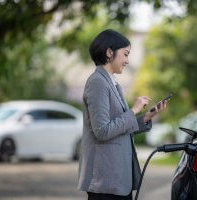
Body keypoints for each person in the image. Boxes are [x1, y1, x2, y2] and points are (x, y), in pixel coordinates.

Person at [77, 29, 167, 200]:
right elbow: (102, 131)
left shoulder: (112, 83)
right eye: (125, 54)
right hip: (106, 182)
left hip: (117, 179)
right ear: (109, 52)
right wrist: (133, 110)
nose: (127, 61)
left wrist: (146, 117)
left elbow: (120, 127)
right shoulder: (97, 82)